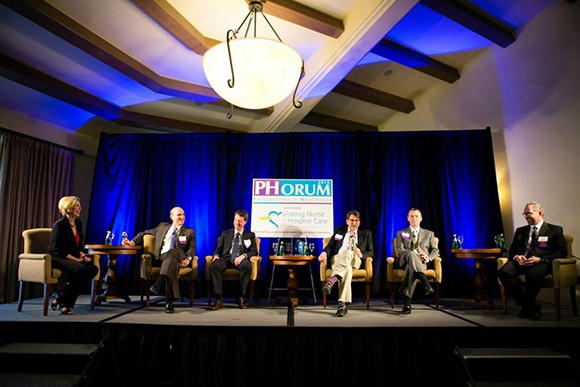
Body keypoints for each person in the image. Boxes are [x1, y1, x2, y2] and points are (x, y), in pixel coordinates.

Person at [497, 201, 567, 320]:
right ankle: (530, 306)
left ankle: (528, 308)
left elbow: (561, 252)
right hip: (521, 262)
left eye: (528, 213)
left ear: (539, 212)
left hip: (540, 263)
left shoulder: (554, 230)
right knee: (503, 272)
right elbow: (512, 250)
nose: (526, 216)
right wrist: (517, 257)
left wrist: (540, 259)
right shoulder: (521, 231)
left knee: (533, 275)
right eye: (524, 214)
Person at [123, 207, 195, 313]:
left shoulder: (189, 232)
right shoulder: (162, 227)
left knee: (173, 254)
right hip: (160, 257)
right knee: (171, 263)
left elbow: (192, 248)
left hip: (177, 258)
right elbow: (144, 233)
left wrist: (188, 258)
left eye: (183, 214)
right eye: (179, 215)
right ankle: (168, 301)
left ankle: (165, 295)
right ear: (171, 216)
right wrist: (132, 242)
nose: (182, 217)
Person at [47, 196, 99, 315]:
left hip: (71, 257)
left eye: (79, 206)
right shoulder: (59, 226)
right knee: (80, 269)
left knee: (93, 269)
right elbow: (57, 250)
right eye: (77, 205)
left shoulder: (78, 223)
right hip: (57, 258)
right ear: (68, 208)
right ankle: (66, 305)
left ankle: (60, 297)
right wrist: (77, 260)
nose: (80, 208)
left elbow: (79, 245)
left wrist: (82, 255)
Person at [319, 210, 374, 317]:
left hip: (356, 260)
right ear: (347, 221)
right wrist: (324, 253)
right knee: (347, 269)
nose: (354, 222)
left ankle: (333, 279)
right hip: (337, 259)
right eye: (352, 220)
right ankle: (342, 305)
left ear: (360, 222)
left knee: (349, 253)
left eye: (357, 220)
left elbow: (371, 251)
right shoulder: (339, 231)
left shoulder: (366, 234)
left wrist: (361, 254)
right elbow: (330, 246)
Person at [209, 209, 258, 310]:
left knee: (247, 267)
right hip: (226, 257)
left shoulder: (250, 235)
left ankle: (240, 297)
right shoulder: (226, 233)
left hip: (240, 258)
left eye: (240, 221)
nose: (237, 223)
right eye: (236, 220)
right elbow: (218, 249)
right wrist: (216, 255)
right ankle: (218, 299)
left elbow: (254, 252)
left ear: (245, 222)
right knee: (214, 266)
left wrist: (243, 256)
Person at [394, 208, 439, 315]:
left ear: (421, 218)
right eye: (412, 216)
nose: (414, 218)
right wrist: (414, 254)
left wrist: (428, 258)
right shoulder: (401, 233)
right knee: (411, 254)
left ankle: (407, 304)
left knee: (412, 269)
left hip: (422, 262)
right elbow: (400, 250)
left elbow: (435, 251)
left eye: (416, 216)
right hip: (404, 261)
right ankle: (426, 283)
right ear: (408, 218)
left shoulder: (429, 234)